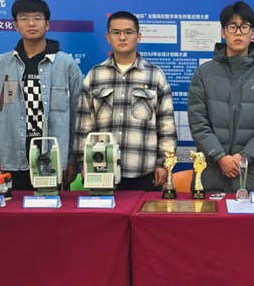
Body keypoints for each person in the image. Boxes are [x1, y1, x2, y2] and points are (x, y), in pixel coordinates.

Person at [0, 0, 82, 190]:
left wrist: (72, 160)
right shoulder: (3, 64)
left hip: (54, 159)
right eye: (24, 18)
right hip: (14, 159)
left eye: (37, 18)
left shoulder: (65, 64)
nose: (31, 23)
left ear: (47, 24)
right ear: (15, 25)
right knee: (17, 209)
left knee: (53, 209)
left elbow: (78, 116)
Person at [72, 11, 177, 191]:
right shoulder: (95, 75)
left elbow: (166, 126)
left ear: (138, 36)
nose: (122, 37)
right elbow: (84, 125)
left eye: (128, 32)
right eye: (116, 32)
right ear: (108, 37)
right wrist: (84, 162)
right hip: (101, 169)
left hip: (144, 171)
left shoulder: (155, 75)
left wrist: (164, 163)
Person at [188, 1, 254, 192]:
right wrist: (220, 157)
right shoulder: (204, 73)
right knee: (208, 212)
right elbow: (198, 122)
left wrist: (244, 157)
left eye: (244, 27)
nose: (238, 33)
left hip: (253, 173)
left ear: (252, 33)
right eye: (232, 27)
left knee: (252, 213)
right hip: (211, 171)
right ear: (223, 32)